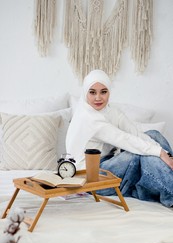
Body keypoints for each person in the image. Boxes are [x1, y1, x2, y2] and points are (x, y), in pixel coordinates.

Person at [66, 69, 173, 207]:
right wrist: (159, 152)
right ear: (85, 92)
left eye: (103, 92)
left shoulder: (111, 111)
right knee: (140, 153)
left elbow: (135, 133)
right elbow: (124, 139)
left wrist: (165, 153)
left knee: (153, 134)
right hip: (90, 177)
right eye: (92, 92)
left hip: (108, 163)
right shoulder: (88, 118)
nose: (98, 97)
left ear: (109, 92)